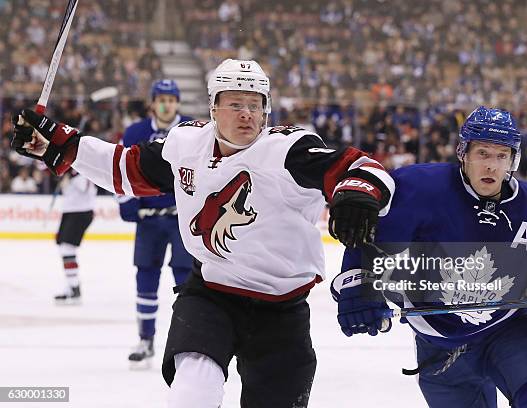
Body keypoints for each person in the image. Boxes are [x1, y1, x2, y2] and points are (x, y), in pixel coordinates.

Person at [11, 59, 395, 408]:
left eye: (255, 104)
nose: (247, 114)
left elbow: (361, 167)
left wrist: (358, 194)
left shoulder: (288, 150)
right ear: (213, 108)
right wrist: (62, 144)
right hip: (210, 294)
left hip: (282, 308)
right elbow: (126, 169)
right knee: (192, 392)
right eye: (235, 103)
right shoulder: (186, 143)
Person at [331, 106, 527, 408]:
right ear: (463, 153)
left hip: (510, 331)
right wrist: (359, 288)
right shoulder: (419, 190)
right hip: (439, 346)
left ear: (514, 160)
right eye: (483, 153)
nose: (492, 166)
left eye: (502, 156)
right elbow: (368, 239)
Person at [117, 79, 194, 368]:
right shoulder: (135, 132)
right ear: (153, 102)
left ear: (178, 103)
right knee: (146, 276)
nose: (166, 104)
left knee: (186, 281)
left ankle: (186, 342)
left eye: (171, 99)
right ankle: (146, 339)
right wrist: (129, 205)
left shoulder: (192, 131)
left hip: (183, 221)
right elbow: (123, 170)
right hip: (149, 222)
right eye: (161, 99)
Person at [54, 170, 97, 304]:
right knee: (64, 248)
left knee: (67, 249)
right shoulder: (71, 169)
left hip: (80, 211)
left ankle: (74, 287)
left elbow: (85, 186)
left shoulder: (84, 168)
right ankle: (72, 286)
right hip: (70, 211)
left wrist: (72, 173)